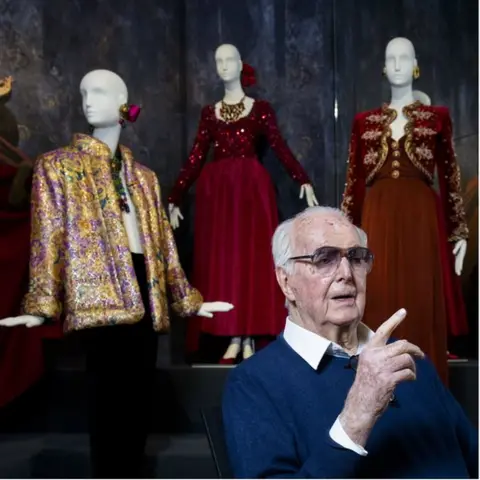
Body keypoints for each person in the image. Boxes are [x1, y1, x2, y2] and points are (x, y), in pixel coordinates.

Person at [222, 206, 477, 478]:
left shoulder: (405, 357)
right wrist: (357, 415)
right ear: (286, 282)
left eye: (356, 258)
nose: (346, 273)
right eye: (324, 259)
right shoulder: (253, 384)